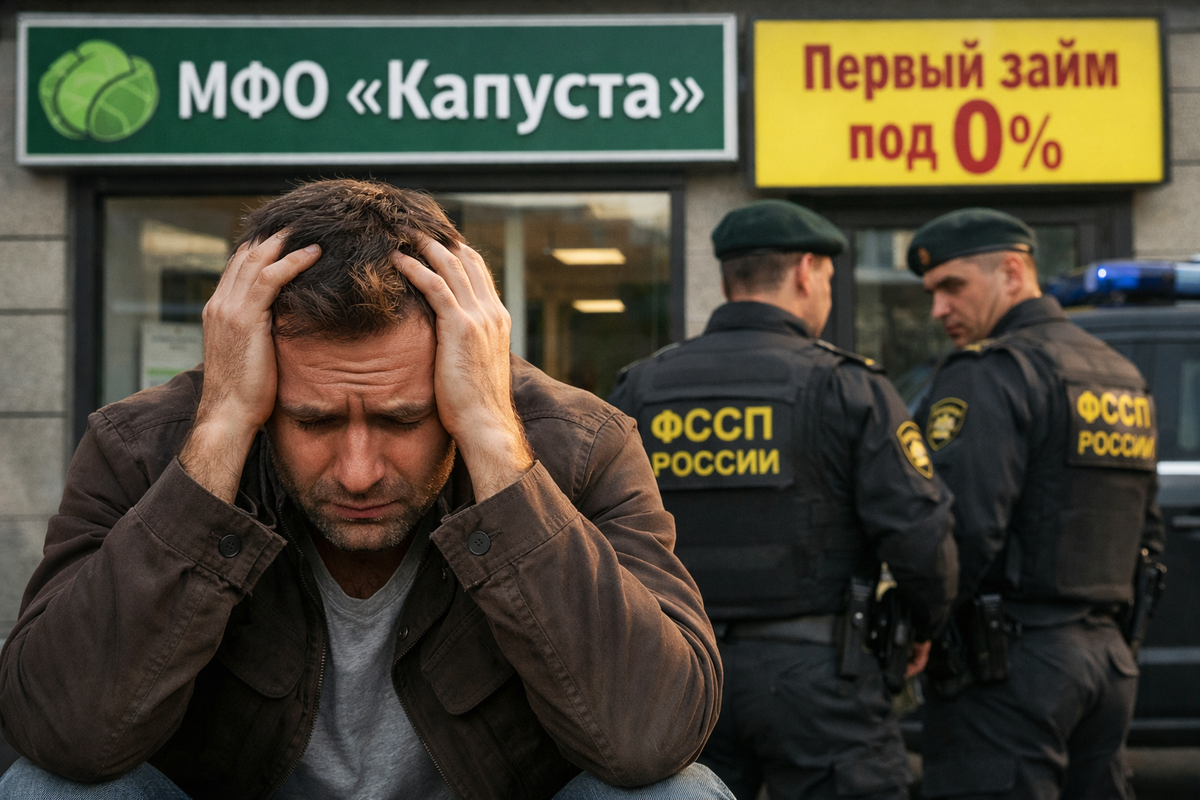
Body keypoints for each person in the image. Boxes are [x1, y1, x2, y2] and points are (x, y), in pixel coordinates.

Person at [0, 180, 730, 800]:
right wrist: (221, 427)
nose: (358, 472)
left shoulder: (582, 448)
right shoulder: (143, 451)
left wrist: (491, 437)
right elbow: (64, 734)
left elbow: (652, 738)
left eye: (402, 419)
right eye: (313, 420)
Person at [609, 200, 959, 800]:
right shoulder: (847, 385)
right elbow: (919, 535)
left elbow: (598, 531)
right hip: (822, 681)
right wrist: (924, 624)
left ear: (729, 280)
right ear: (805, 271)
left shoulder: (641, 386)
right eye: (828, 277)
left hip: (679, 676)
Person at [908, 208, 1165, 800]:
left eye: (952, 286)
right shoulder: (1119, 374)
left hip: (1009, 668)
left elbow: (964, 531)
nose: (939, 309)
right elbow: (1147, 535)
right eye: (931, 293)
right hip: (1107, 665)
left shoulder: (992, 370)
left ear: (1013, 271)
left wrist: (923, 626)